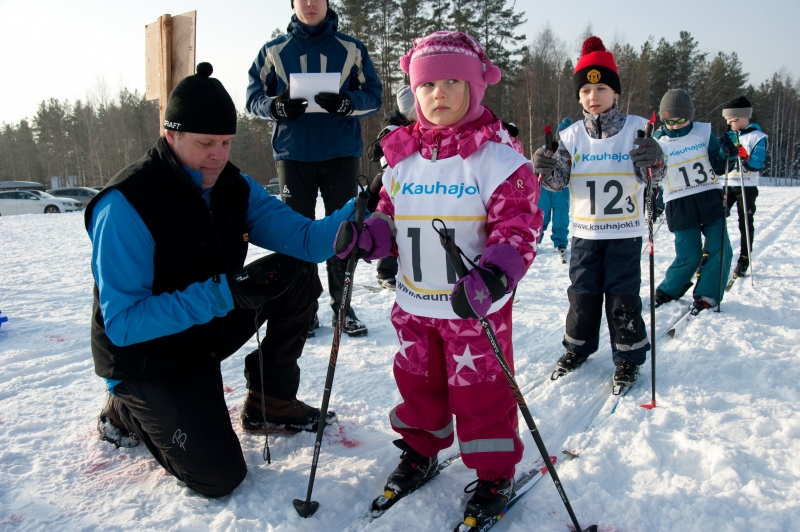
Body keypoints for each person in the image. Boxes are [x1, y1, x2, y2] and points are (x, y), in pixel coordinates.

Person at [88, 63, 359, 497]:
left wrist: (362, 208)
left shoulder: (234, 186)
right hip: (146, 356)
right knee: (219, 476)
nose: (218, 155)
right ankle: (126, 409)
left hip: (202, 328)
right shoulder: (127, 205)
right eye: (205, 143)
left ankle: (269, 401)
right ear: (171, 136)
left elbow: (309, 242)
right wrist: (225, 292)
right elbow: (123, 324)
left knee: (296, 272)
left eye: (226, 143)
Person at [334, 31, 542, 524]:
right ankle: (421, 448)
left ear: (476, 87)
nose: (439, 94)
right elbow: (388, 218)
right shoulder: (401, 159)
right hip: (414, 305)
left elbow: (519, 230)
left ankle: (494, 472)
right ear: (414, 92)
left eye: (453, 82)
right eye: (427, 85)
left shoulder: (498, 159)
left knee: (481, 392)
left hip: (473, 310)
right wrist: (367, 238)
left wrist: (493, 276)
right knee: (417, 382)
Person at [534, 36, 666, 389]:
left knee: (623, 296)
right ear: (579, 97)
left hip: (624, 231)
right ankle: (578, 347)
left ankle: (628, 356)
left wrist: (655, 159)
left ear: (615, 93)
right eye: (586, 92)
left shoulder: (637, 129)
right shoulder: (572, 135)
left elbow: (654, 177)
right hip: (585, 234)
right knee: (582, 294)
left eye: (602, 88)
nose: (593, 97)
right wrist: (544, 167)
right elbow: (558, 182)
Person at [245, 0, 383, 337]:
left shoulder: (351, 48)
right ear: (292, 4)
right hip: (293, 158)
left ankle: (344, 307)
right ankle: (304, 308)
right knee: (296, 238)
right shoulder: (273, 51)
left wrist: (349, 103)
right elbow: (252, 98)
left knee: (343, 233)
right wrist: (276, 106)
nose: (310, 3)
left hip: (339, 156)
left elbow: (374, 94)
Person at [652, 89, 733, 312]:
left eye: (681, 120)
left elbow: (719, 165)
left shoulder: (703, 133)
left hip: (709, 197)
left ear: (690, 116)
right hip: (679, 203)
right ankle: (669, 289)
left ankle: (707, 294)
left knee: (721, 247)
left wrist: (728, 154)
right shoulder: (656, 141)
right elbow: (651, 173)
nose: (675, 125)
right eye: (670, 121)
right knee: (689, 254)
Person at [366, 85, 417, 290]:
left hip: (416, 181)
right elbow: (373, 154)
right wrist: (384, 141)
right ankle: (385, 272)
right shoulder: (393, 126)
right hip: (391, 180)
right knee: (391, 224)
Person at [718, 96, 767, 278]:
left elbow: (758, 162)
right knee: (717, 218)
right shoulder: (727, 135)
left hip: (746, 186)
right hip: (728, 184)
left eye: (735, 120)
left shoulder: (757, 137)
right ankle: (710, 255)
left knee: (744, 222)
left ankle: (744, 258)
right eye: (728, 120)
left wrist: (746, 157)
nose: (731, 124)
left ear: (745, 117)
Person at [537, 117, 572, 257]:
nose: (562, 137)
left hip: (562, 190)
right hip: (544, 189)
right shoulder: (547, 147)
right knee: (541, 216)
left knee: (561, 218)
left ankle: (561, 241)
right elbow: (538, 162)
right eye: (560, 134)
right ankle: (534, 240)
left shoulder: (572, 149)